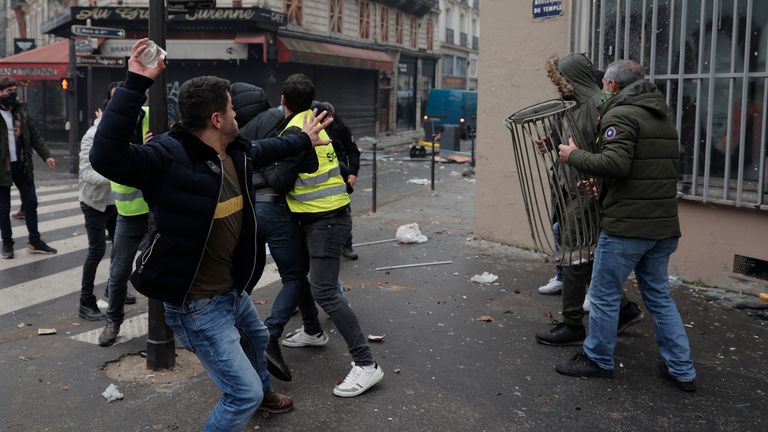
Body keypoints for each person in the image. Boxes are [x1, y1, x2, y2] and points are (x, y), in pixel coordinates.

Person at [91, 39, 332, 430]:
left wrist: (304, 138)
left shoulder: (235, 149)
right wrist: (135, 84)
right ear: (217, 118)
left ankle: (264, 392)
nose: (237, 113)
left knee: (256, 341)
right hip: (197, 305)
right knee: (241, 394)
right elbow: (106, 157)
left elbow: (269, 148)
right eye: (232, 107)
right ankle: (254, 396)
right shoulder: (167, 156)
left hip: (230, 290)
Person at [555, 59, 697, 392]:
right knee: (659, 297)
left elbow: (615, 163)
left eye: (604, 85)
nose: (602, 90)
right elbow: (643, 172)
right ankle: (682, 369)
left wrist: (572, 156)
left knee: (603, 296)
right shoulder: (661, 117)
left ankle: (598, 359)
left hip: (627, 227)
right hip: (661, 226)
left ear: (613, 86)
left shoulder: (620, 114)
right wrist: (601, 188)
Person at [278, 74, 384, 397]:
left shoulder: (295, 132)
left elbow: (281, 179)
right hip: (326, 217)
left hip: (325, 221)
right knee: (315, 282)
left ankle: (366, 364)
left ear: (282, 101)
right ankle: (313, 332)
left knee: (325, 292)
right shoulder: (315, 123)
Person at [534, 54, 642, 346]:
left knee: (575, 258)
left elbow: (612, 153)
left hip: (586, 193)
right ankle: (624, 310)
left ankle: (572, 324)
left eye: (562, 80)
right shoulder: (569, 106)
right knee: (589, 258)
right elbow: (561, 138)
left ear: (575, 78)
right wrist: (548, 142)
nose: (560, 86)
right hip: (567, 190)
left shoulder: (601, 105)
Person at [230, 81, 320, 383]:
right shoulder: (280, 122)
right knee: (295, 275)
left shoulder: (241, 130)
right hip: (273, 207)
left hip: (249, 207)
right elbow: (281, 176)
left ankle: (311, 327)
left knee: (250, 274)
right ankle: (269, 334)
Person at [97, 82, 147, 346]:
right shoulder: (110, 126)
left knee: (162, 266)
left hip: (156, 208)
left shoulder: (153, 115)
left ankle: (172, 322)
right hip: (128, 212)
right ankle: (113, 321)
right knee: (118, 272)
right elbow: (110, 160)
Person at [0, 77, 57, 258]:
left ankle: (34, 241)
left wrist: (46, 155)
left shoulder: (20, 112)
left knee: (31, 202)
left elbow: (34, 135)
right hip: (2, 168)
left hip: (23, 165)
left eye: (14, 90)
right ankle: (7, 244)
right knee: (3, 208)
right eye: (9, 91)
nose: (13, 94)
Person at [78, 91, 118, 321]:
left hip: (115, 202)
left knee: (120, 249)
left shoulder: (121, 133)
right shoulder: (92, 135)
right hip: (94, 201)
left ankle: (112, 288)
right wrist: (115, 176)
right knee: (96, 250)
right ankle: (85, 302)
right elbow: (85, 172)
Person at [312, 101, 361, 260]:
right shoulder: (310, 130)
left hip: (338, 177)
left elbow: (353, 152)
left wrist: (353, 173)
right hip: (316, 178)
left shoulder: (341, 130)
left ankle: (347, 245)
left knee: (343, 210)